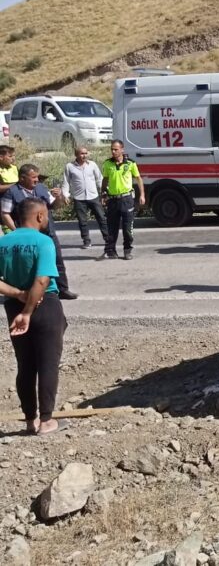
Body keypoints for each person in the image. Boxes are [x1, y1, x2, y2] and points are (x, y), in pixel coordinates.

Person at [0, 197, 68, 435]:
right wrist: (29, 310)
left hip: (13, 306)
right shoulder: (44, 242)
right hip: (44, 306)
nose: (47, 219)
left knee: (25, 365)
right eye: (46, 215)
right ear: (40, 216)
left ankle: (30, 419)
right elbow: (43, 279)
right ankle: (47, 421)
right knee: (48, 363)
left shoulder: (3, 242)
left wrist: (19, 295)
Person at [1, 164, 75, 299]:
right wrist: (17, 231)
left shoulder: (41, 188)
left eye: (37, 177)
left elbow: (55, 206)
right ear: (22, 178)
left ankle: (62, 289)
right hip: (26, 237)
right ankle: (29, 292)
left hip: (47, 233)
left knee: (57, 260)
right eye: (33, 177)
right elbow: (5, 213)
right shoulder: (12, 192)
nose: (36, 180)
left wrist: (58, 197)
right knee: (30, 264)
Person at [100, 140, 145, 262]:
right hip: (113, 200)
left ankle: (127, 250)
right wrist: (103, 194)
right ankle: (111, 250)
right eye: (112, 149)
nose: (113, 151)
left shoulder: (130, 163)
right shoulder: (107, 164)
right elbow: (105, 180)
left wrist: (142, 195)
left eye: (116, 149)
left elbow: (138, 179)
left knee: (127, 227)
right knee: (112, 227)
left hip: (126, 199)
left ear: (122, 149)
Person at [62, 146, 107, 249]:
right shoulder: (69, 166)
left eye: (86, 153)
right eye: (82, 153)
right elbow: (66, 182)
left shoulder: (92, 165)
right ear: (76, 155)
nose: (84, 155)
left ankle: (107, 238)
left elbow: (99, 179)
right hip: (79, 198)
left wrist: (104, 192)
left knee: (102, 218)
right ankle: (86, 240)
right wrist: (66, 194)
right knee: (83, 221)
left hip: (93, 196)